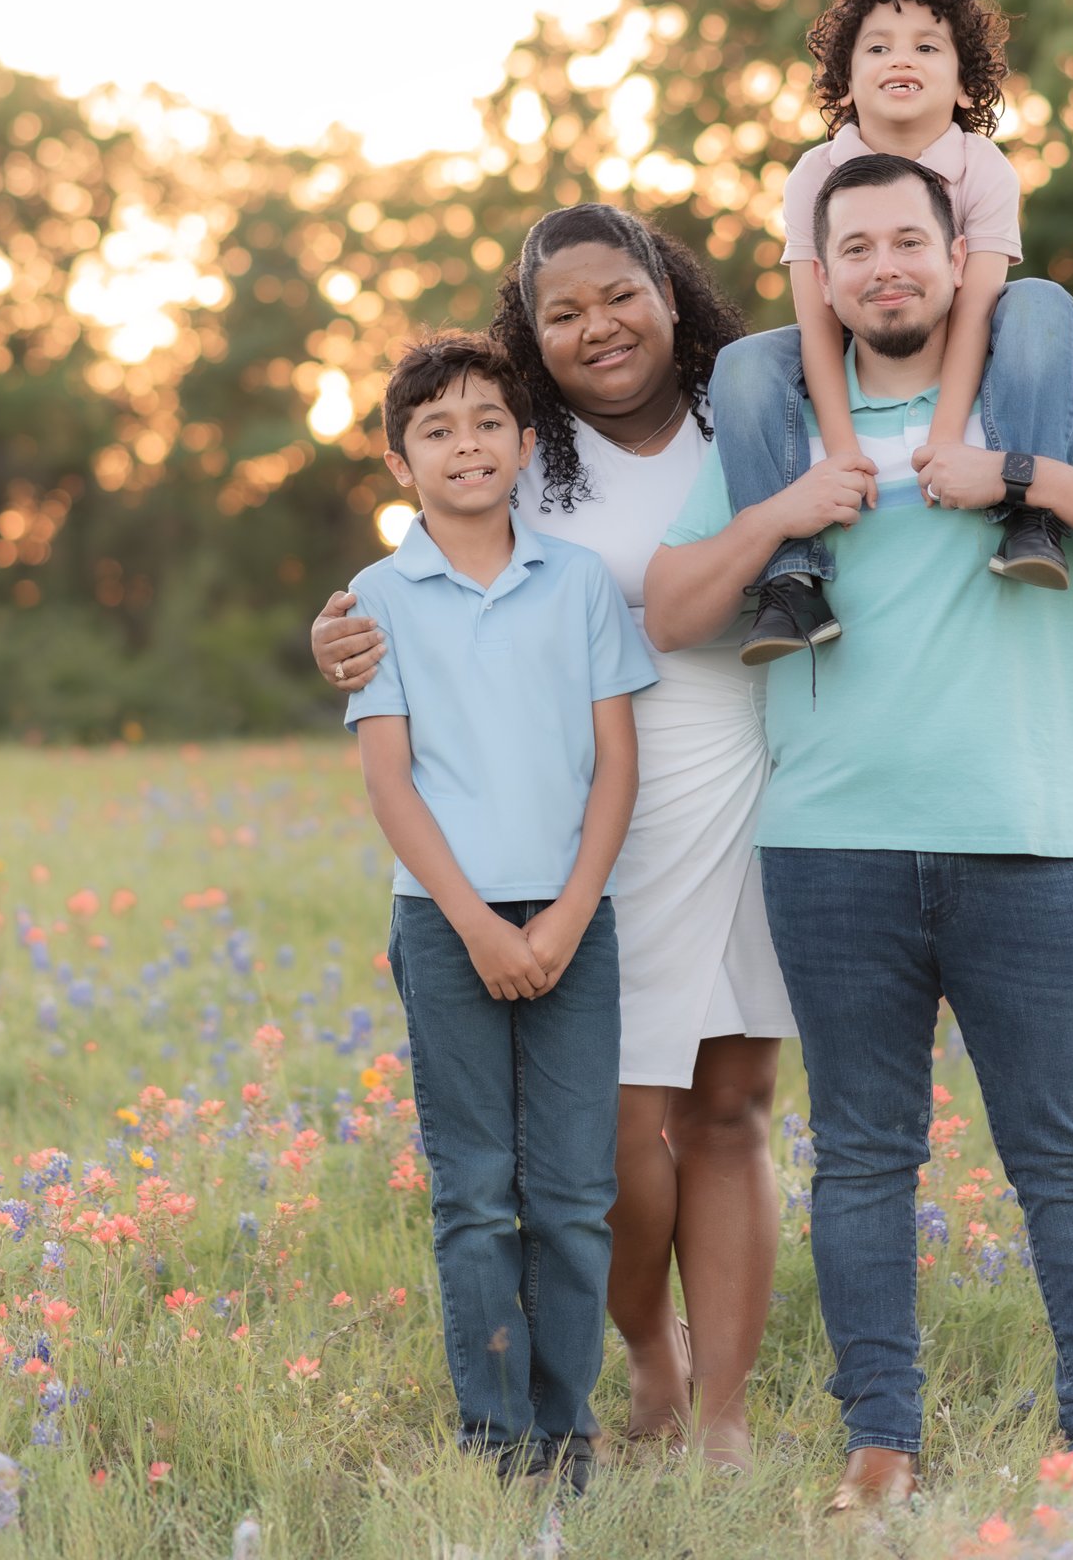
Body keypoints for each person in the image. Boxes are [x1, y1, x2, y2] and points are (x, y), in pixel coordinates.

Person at [646, 153, 1073, 1508]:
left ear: (962, 259)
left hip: (1034, 837)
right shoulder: (778, 423)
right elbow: (671, 609)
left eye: (913, 240)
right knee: (861, 1162)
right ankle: (880, 1447)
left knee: (1066, 1161)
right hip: (832, 847)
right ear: (824, 278)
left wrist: (1013, 473)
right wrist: (786, 511)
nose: (887, 265)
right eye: (859, 249)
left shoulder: (1050, 384)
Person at [314, 206, 797, 1468]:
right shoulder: (524, 451)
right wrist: (340, 635)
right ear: (529, 339)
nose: (599, 327)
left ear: (668, 290)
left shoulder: (742, 416)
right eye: (562, 311)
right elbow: (431, 565)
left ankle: (727, 1414)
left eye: (618, 294)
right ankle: (647, 1359)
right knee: (613, 1131)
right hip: (595, 796)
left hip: (757, 758)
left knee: (733, 1099)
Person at [343, 331, 657, 1491]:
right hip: (444, 918)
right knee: (475, 1192)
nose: (464, 443)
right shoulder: (376, 597)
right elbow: (390, 776)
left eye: (486, 422)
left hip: (576, 913)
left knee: (573, 1194)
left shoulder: (575, 582)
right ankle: (493, 1436)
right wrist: (476, 921)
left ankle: (565, 1428)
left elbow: (617, 765)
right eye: (436, 428)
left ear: (528, 444)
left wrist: (570, 913)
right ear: (398, 462)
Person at [710, 0, 1073, 668]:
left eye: (926, 45)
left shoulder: (984, 169)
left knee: (1041, 302)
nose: (899, 57)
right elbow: (816, 320)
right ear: (846, 83)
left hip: (956, 322)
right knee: (745, 365)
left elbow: (978, 309)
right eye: (876, 46)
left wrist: (947, 440)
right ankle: (791, 576)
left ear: (967, 87)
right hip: (858, 331)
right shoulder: (813, 174)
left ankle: (1030, 517)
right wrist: (843, 453)